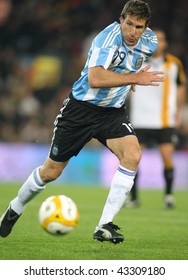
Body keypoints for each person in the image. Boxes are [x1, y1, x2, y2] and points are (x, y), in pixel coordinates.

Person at [0, 0, 165, 244]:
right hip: (81, 111)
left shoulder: (150, 41)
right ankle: (15, 207)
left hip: (112, 112)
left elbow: (134, 61)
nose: (132, 32)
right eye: (128, 24)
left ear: (146, 27)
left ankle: (104, 225)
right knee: (51, 172)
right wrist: (134, 78)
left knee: (132, 155)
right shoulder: (105, 40)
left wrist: (131, 79)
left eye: (138, 27)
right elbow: (95, 78)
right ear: (121, 20)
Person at [127, 28, 187, 208]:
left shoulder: (174, 64)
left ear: (165, 43)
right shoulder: (136, 60)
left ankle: (168, 196)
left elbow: (181, 86)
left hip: (164, 120)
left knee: (167, 157)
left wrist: (177, 110)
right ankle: (134, 198)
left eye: (161, 40)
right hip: (140, 118)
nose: (158, 43)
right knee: (133, 159)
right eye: (154, 40)